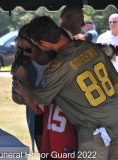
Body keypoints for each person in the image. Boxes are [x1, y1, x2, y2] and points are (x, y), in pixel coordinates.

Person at [13, 16, 118, 159]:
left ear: (43, 43)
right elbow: (116, 84)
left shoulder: (57, 68)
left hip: (94, 131)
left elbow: (36, 102)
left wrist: (25, 79)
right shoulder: (91, 47)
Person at [12, 24, 77, 160]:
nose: (24, 53)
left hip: (62, 120)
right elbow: (16, 95)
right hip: (39, 116)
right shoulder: (23, 64)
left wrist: (26, 83)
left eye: (28, 49)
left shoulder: (59, 61)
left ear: (40, 45)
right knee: (46, 155)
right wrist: (21, 97)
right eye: (20, 48)